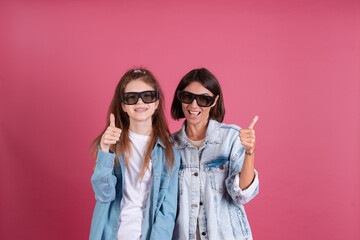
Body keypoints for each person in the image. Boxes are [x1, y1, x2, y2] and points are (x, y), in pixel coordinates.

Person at [89, 68, 180, 240]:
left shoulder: (170, 153)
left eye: (147, 96)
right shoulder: (111, 144)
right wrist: (105, 150)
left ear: (156, 103)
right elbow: (103, 194)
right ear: (123, 105)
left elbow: (167, 212)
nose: (140, 102)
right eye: (131, 97)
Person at [171, 68, 259, 240]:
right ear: (180, 98)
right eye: (187, 97)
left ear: (214, 101)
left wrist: (250, 151)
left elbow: (242, 194)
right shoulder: (169, 146)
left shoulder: (231, 137)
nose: (194, 106)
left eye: (203, 99)